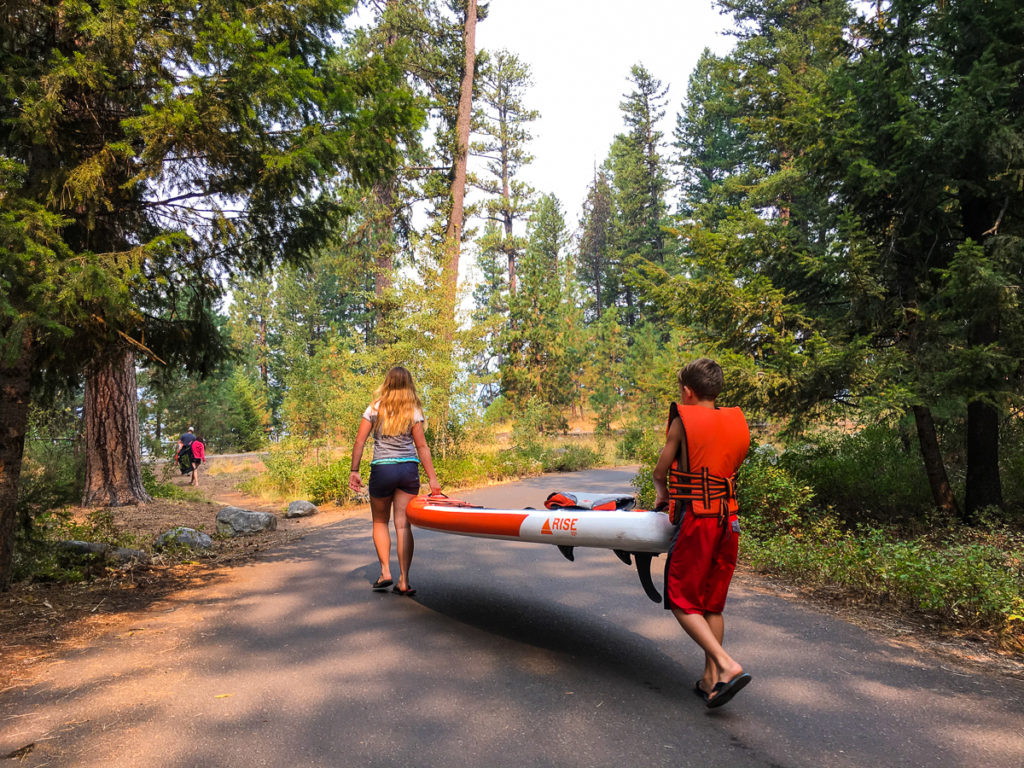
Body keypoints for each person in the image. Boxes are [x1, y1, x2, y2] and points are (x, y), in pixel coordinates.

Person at [652, 358, 752, 709]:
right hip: (731, 520)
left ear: (687, 391)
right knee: (711, 602)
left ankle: (726, 665)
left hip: (700, 520)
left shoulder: (683, 422)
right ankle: (711, 680)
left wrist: (660, 492)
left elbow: (661, 470)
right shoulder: (736, 422)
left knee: (681, 599)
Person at [349, 367, 441, 596]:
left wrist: (354, 470)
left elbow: (359, 442)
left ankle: (385, 572)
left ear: (387, 382)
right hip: (408, 470)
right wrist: (433, 480)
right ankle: (404, 580)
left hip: (382, 470)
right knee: (403, 525)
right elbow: (422, 446)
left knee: (380, 522)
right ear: (409, 384)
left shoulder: (374, 407)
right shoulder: (413, 410)